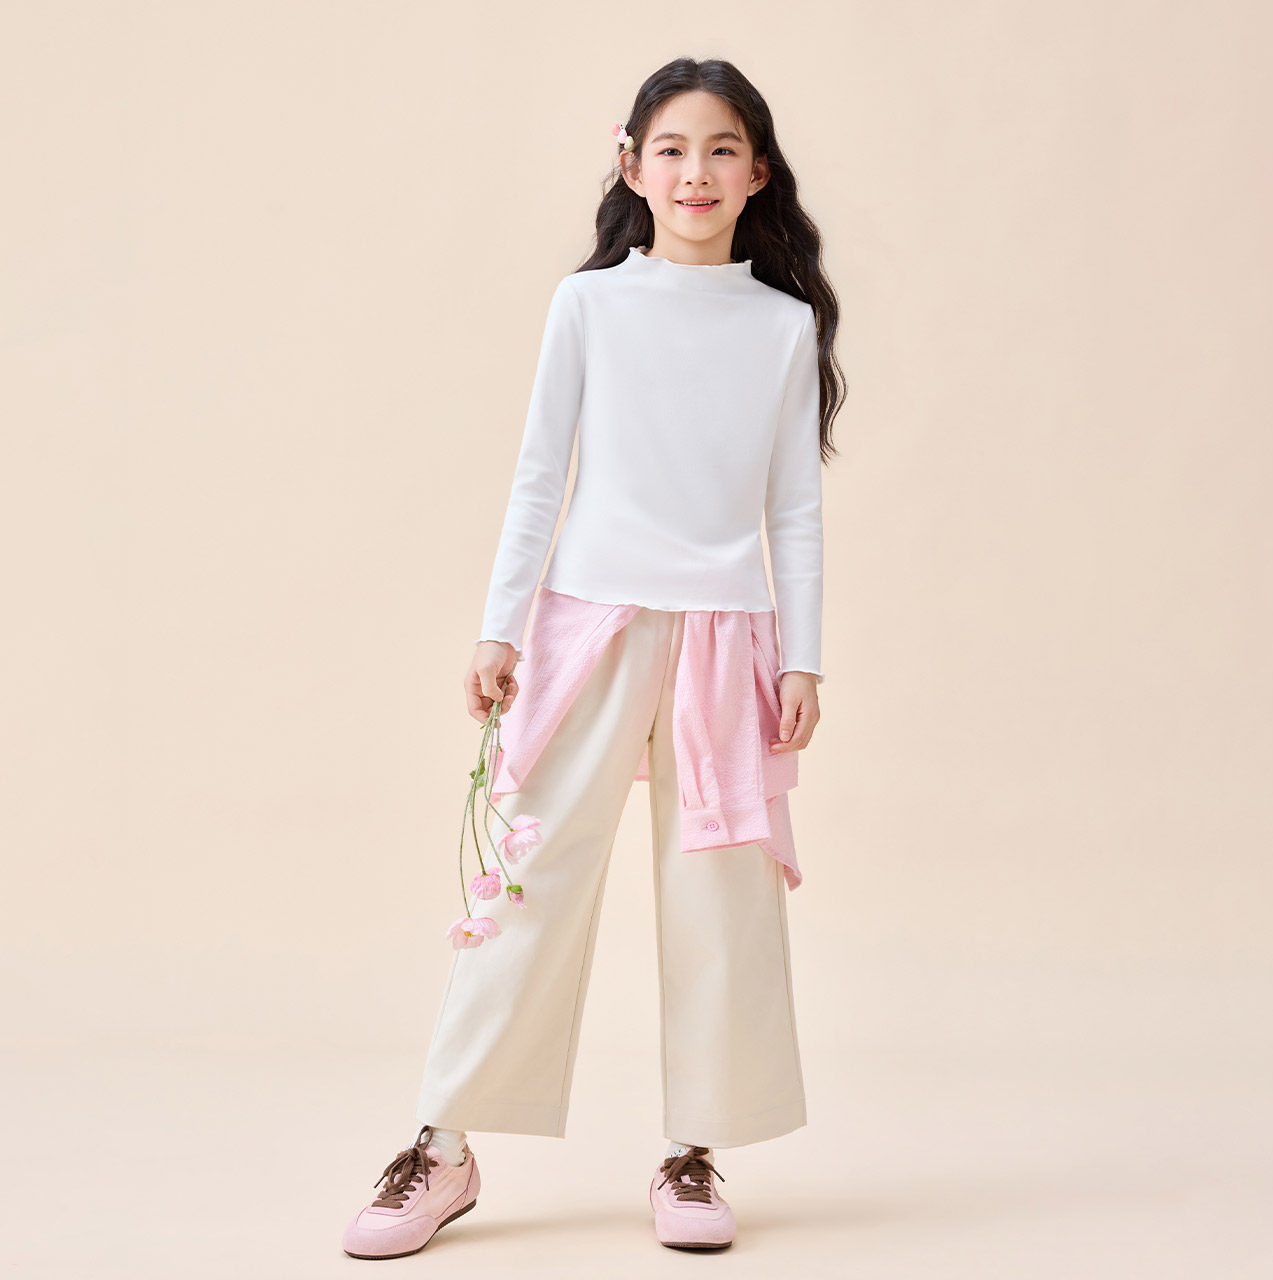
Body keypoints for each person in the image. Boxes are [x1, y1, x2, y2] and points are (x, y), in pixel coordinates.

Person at [342, 55, 845, 1260]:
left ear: (756, 173)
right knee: (528, 880)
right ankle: (443, 1143)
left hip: (726, 634)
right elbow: (539, 477)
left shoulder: (781, 326)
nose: (694, 172)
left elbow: (791, 507)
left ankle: (691, 1148)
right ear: (630, 164)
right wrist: (499, 624)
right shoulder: (588, 306)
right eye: (671, 149)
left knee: (716, 897)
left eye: (721, 150)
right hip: (589, 618)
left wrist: (803, 657)